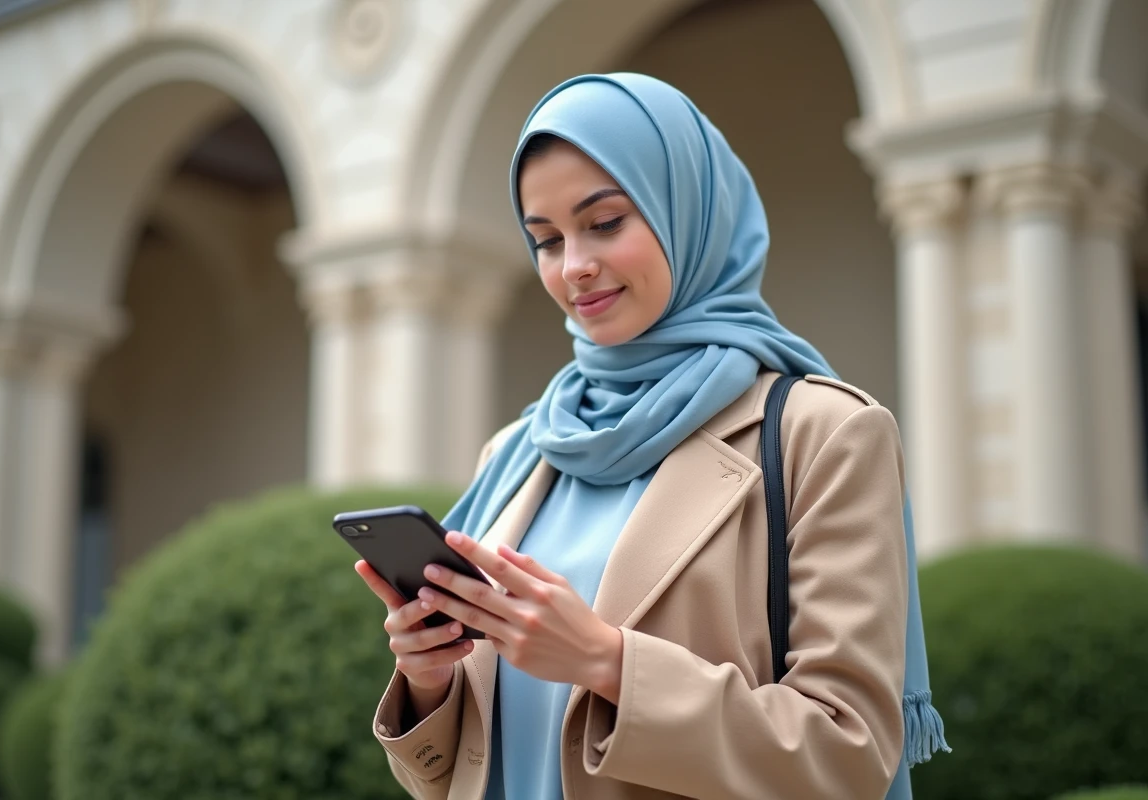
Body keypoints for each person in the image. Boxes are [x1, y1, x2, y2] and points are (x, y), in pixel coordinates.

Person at [355, 73, 948, 800]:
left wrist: (607, 662)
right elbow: (459, 771)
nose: (574, 266)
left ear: (686, 210)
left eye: (605, 222)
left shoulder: (823, 435)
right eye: (546, 240)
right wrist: (429, 679)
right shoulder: (519, 451)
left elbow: (847, 751)